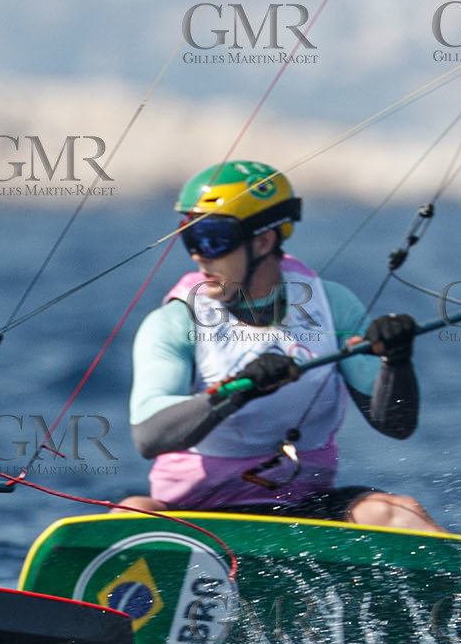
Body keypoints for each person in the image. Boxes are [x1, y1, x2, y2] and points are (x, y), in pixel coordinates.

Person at [117, 160, 442, 531]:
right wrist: (239, 391)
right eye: (189, 236)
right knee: (131, 512)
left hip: (302, 508)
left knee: (400, 513)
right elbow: (148, 436)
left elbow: (396, 425)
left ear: (264, 240)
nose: (198, 254)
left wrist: (397, 363)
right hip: (195, 512)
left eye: (212, 238)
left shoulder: (332, 306)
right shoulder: (175, 322)